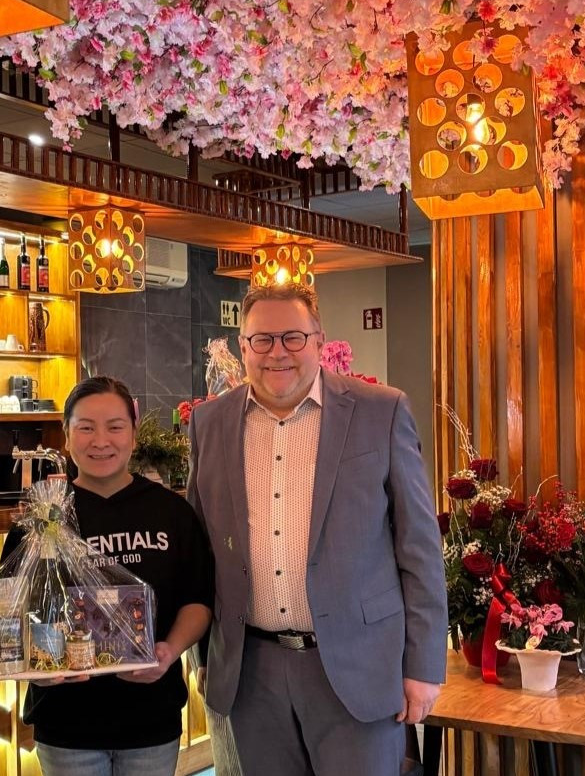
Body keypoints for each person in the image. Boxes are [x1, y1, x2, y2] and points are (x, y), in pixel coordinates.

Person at [187, 283, 447, 776]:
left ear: (319, 340)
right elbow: (202, 550)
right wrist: (205, 656)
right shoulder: (209, 423)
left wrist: (423, 666)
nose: (277, 352)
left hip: (357, 667)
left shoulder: (381, 411)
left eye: (293, 337)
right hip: (252, 674)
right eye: (262, 340)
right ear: (243, 346)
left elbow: (419, 549)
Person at [0, 376, 214, 776]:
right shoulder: (42, 519)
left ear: (133, 433)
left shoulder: (171, 512)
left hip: (151, 717)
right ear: (66, 435)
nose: (101, 441)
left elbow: (198, 601)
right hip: (66, 723)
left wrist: (169, 651)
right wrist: (37, 669)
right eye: (86, 427)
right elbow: (12, 614)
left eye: (115, 427)